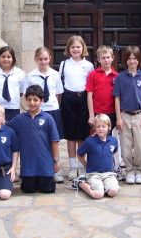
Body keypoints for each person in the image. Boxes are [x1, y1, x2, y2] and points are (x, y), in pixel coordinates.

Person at [6, 85, 60, 193]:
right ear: (25, 100)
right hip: (28, 167)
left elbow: (54, 141)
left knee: (47, 190)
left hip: (45, 165)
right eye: (29, 100)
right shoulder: (20, 119)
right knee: (28, 189)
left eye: (35, 100)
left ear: (42, 101)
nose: (32, 103)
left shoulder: (48, 118)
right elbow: (5, 124)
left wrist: (55, 161)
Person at [24, 47, 64, 183]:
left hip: (52, 109)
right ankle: (41, 168)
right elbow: (27, 94)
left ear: (50, 58)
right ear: (36, 60)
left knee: (53, 140)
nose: (43, 62)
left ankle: (55, 167)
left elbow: (58, 93)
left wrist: (54, 106)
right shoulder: (30, 76)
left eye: (45, 59)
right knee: (40, 140)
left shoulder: (55, 74)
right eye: (40, 59)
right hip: (38, 111)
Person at [113, 46, 141, 184]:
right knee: (126, 145)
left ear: (139, 60)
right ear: (125, 60)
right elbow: (117, 98)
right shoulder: (120, 77)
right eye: (129, 58)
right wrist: (118, 117)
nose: (132, 61)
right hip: (124, 115)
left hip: (139, 115)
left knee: (140, 145)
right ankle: (129, 170)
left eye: (135, 58)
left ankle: (140, 170)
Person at [59, 35, 94, 181]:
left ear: (83, 48)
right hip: (68, 98)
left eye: (78, 47)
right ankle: (72, 166)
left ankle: (81, 165)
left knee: (82, 134)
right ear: (68, 49)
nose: (75, 49)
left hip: (83, 99)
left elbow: (91, 86)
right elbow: (61, 85)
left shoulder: (89, 65)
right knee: (71, 135)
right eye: (73, 47)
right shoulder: (64, 64)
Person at [85, 45, 122, 178]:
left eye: (108, 57)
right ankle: (94, 167)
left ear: (112, 58)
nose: (106, 60)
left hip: (111, 113)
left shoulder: (117, 76)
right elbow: (89, 95)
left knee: (111, 142)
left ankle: (113, 167)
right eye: (103, 58)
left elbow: (118, 97)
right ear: (98, 60)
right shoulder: (93, 75)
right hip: (97, 114)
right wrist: (91, 115)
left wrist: (118, 117)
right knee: (95, 142)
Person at [73, 114, 120, 199]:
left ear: (108, 127)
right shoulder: (89, 141)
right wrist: (86, 165)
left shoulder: (113, 141)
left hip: (108, 173)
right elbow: (79, 153)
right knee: (98, 194)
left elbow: (113, 152)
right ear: (95, 127)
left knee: (112, 192)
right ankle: (80, 183)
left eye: (103, 126)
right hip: (94, 174)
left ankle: (105, 186)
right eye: (98, 126)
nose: (101, 129)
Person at [0, 46, 26, 121]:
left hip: (13, 108)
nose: (6, 59)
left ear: (13, 58)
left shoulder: (20, 74)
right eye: (3, 57)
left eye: (9, 57)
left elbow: (21, 92)